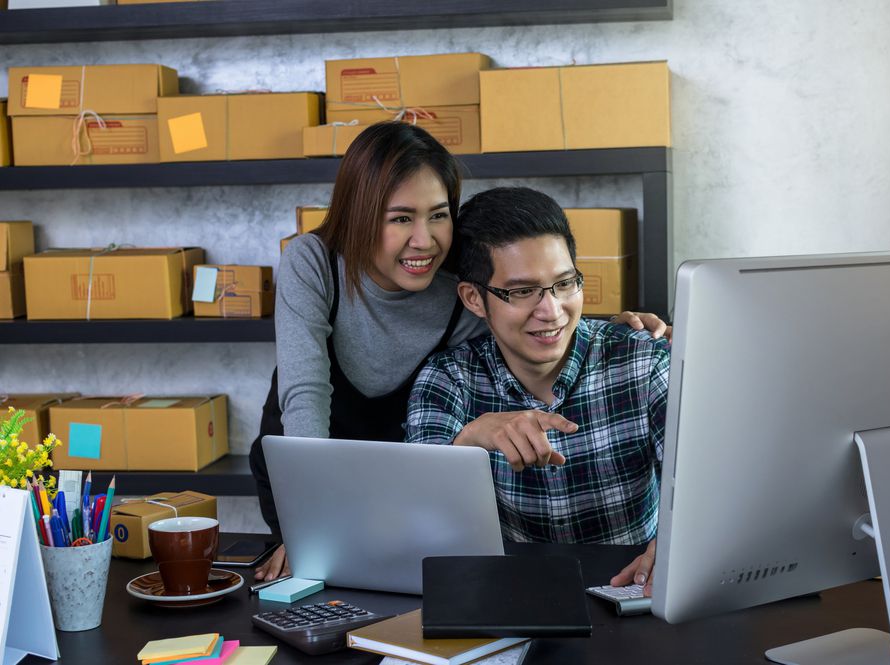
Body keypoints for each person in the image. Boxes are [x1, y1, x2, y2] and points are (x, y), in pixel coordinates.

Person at [249, 123, 667, 581]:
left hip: (400, 475)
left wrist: (623, 336)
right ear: (362, 214)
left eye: (438, 215)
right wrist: (313, 526)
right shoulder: (317, 263)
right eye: (400, 218)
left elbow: (541, 316)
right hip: (309, 469)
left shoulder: (460, 293)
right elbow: (305, 395)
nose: (425, 241)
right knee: (318, 592)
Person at [405, 186, 667, 595]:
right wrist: (468, 439)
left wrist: (673, 543)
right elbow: (414, 513)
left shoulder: (642, 361)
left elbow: (705, 484)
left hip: (633, 594)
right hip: (508, 600)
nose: (552, 311)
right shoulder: (448, 378)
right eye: (522, 292)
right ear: (474, 298)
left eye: (565, 283)